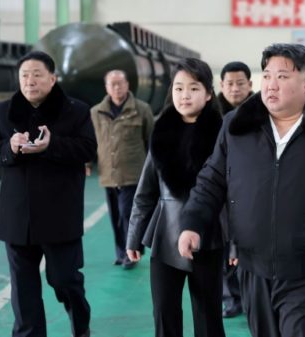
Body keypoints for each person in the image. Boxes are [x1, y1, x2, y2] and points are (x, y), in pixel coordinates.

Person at [177, 43, 305, 337]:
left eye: (283, 77)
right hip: (253, 265)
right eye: (266, 76)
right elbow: (212, 179)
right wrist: (193, 223)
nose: (271, 85)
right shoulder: (236, 127)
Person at [0, 51, 95, 337]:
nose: (29, 80)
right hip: (17, 215)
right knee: (23, 288)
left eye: (36, 74)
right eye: (24, 75)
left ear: (53, 78)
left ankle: (81, 325)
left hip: (59, 213)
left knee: (65, 280)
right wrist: (11, 147)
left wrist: (52, 146)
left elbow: (87, 149)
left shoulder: (76, 110)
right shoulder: (3, 111)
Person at [126, 58, 225, 337]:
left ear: (208, 93)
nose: (184, 95)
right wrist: (134, 237)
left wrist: (235, 243)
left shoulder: (222, 134)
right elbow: (146, 192)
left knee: (208, 317)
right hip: (165, 235)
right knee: (164, 314)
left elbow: (233, 195)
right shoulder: (162, 132)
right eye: (178, 88)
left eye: (193, 88)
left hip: (210, 236)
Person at [89, 69, 154, 269]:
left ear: (127, 85)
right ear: (106, 87)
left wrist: (152, 170)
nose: (117, 87)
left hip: (134, 173)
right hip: (109, 173)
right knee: (116, 215)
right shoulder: (96, 112)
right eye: (112, 84)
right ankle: (121, 252)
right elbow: (92, 141)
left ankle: (131, 252)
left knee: (128, 212)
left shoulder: (142, 109)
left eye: (120, 83)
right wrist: (86, 163)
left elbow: (150, 141)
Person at [217, 61, 253, 318]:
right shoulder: (210, 114)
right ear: (221, 86)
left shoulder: (264, 111)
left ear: (250, 85)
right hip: (220, 191)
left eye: (240, 83)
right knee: (222, 245)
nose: (235, 88)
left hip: (252, 191)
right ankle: (231, 298)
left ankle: (251, 296)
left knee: (249, 246)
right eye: (230, 83)